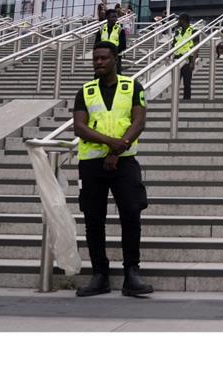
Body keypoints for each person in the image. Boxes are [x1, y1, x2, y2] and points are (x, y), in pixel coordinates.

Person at [72, 42, 154, 297]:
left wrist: (118, 150)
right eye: (95, 58)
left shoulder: (133, 87)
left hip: (125, 162)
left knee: (131, 213)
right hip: (92, 162)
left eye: (103, 58)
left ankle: (132, 272)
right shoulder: (85, 91)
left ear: (115, 59)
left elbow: (138, 122)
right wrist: (110, 144)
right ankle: (100, 275)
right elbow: (79, 127)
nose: (98, 62)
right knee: (93, 219)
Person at [172, 14, 197, 100]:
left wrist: (193, 62)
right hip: (177, 59)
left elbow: (196, 47)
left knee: (187, 82)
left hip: (187, 60)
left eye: (180, 20)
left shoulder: (193, 30)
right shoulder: (178, 31)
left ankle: (187, 100)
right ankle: (175, 100)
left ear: (184, 21)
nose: (178, 22)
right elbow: (173, 45)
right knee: (176, 82)